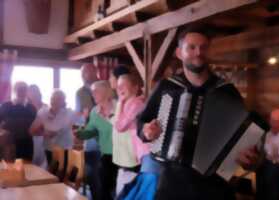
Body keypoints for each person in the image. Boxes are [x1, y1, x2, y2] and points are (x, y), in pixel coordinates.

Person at [118, 27, 244, 200]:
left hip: (215, 184)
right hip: (173, 181)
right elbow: (143, 121)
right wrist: (146, 131)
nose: (198, 52)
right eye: (191, 47)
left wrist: (250, 156)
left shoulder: (226, 91)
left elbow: (245, 133)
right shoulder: (166, 87)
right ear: (179, 53)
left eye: (203, 47)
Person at [75, 80, 116, 200]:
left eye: (95, 91)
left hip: (122, 155)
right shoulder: (95, 111)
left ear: (105, 92)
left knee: (118, 190)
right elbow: (91, 131)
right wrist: (80, 134)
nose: (92, 94)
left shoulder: (119, 106)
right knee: (103, 188)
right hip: (106, 155)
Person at [114, 73, 149, 195]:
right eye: (118, 86)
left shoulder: (136, 104)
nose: (120, 89)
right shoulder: (128, 104)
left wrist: (119, 103)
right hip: (138, 152)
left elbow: (120, 126)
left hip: (145, 152)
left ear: (135, 88)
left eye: (123, 85)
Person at [75, 63, 101, 200]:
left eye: (86, 72)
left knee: (103, 177)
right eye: (82, 73)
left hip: (106, 140)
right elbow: (77, 116)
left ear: (95, 72)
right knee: (92, 175)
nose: (83, 76)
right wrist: (82, 117)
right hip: (90, 141)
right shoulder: (79, 93)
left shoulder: (106, 87)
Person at [30, 89, 77, 164]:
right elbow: (32, 130)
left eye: (58, 99)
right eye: (52, 98)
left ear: (63, 101)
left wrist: (47, 131)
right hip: (49, 148)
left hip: (64, 149)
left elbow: (59, 130)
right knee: (51, 172)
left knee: (62, 173)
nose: (54, 101)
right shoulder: (43, 112)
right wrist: (43, 133)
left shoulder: (69, 113)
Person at [0, 81, 36, 161]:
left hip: (27, 143)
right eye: (19, 89)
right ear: (14, 90)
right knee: (9, 169)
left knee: (27, 168)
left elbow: (36, 126)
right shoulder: (6, 106)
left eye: (24, 90)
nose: (21, 92)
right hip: (9, 144)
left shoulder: (31, 108)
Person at [27, 84, 47, 168]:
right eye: (31, 92)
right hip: (30, 140)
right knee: (31, 164)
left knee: (43, 165)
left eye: (36, 91)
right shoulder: (26, 107)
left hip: (43, 139)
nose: (34, 94)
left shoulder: (46, 107)